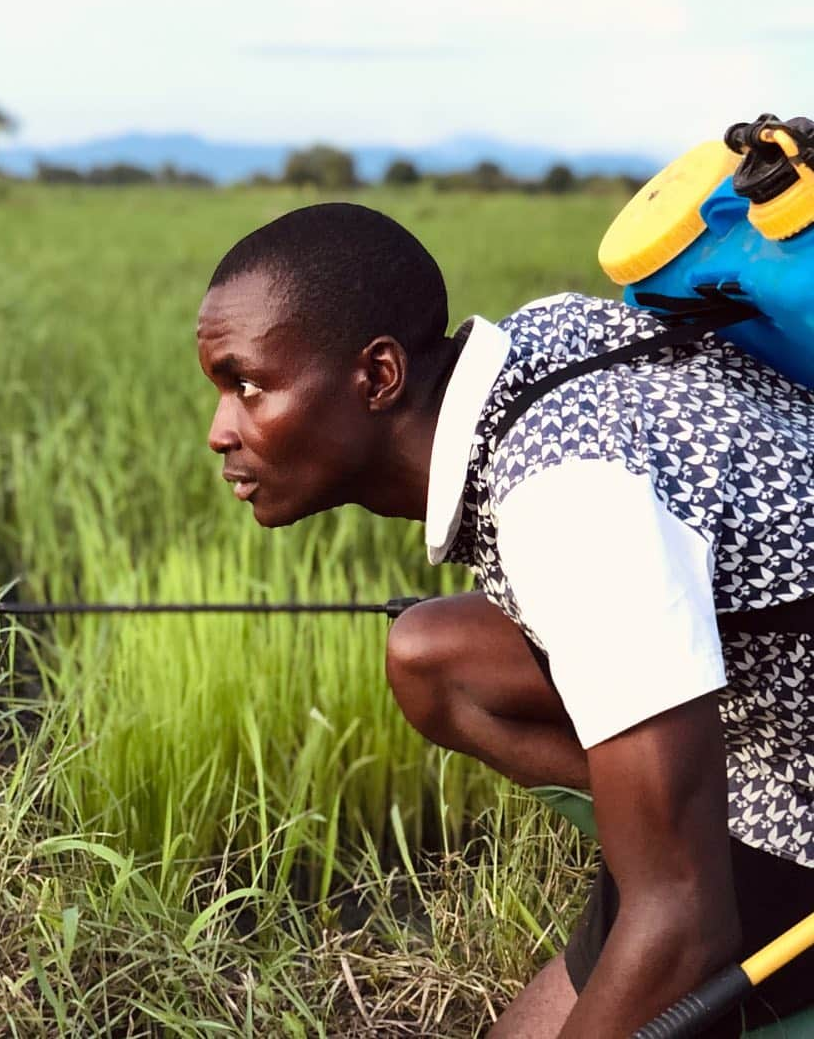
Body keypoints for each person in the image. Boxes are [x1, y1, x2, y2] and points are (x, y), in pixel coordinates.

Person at [195, 202, 814, 1038]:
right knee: (430, 652)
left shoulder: (571, 506)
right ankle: (666, 820)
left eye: (248, 385)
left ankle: (695, 841)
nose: (220, 431)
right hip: (772, 698)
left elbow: (687, 923)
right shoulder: (534, 346)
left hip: (799, 782)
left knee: (648, 932)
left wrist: (668, 900)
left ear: (378, 377)